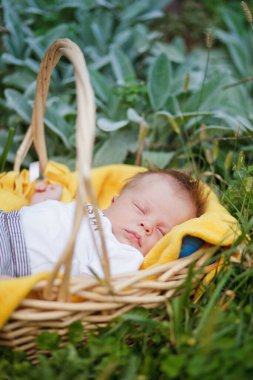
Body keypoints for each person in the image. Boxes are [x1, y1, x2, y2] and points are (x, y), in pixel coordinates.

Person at [0, 169, 206, 278]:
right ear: (114, 202)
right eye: (140, 209)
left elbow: (87, 286)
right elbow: (53, 219)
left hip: (17, 263)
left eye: (161, 231)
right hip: (7, 222)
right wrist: (44, 201)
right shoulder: (89, 209)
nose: (147, 225)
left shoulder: (124, 254)